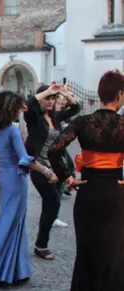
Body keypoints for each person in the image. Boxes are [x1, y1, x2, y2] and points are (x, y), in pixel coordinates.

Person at [48, 70, 124, 290]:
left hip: (88, 194)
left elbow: (54, 150)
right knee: (115, 253)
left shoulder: (82, 122)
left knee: (87, 253)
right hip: (115, 196)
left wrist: (68, 178)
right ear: (119, 94)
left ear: (100, 94)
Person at [0, 91, 58, 285]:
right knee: (13, 219)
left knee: (10, 217)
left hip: (4, 174)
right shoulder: (12, 130)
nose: (21, 111)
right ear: (11, 109)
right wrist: (47, 172)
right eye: (19, 107)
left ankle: (13, 268)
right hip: (15, 176)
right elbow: (24, 159)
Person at [23, 82, 79, 260]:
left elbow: (76, 108)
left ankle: (41, 244)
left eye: (53, 99)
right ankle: (41, 244)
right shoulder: (34, 117)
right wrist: (47, 91)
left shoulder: (55, 117)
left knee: (50, 206)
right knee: (53, 203)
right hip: (38, 166)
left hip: (55, 167)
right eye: (47, 98)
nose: (50, 101)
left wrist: (63, 93)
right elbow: (29, 103)